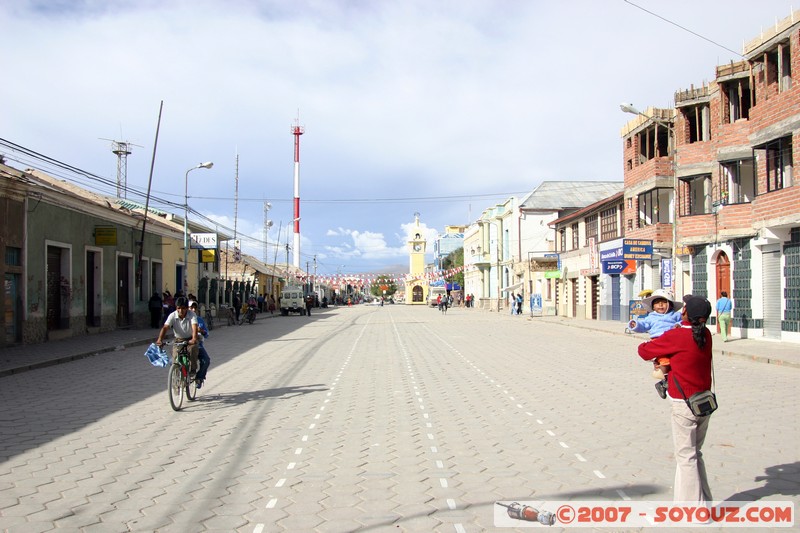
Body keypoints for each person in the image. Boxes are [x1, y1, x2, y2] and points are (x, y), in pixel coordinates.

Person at [638, 295, 713, 503]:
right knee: (695, 453)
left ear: (686, 312)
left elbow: (644, 351)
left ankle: (691, 511)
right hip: (704, 402)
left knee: (686, 457)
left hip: (684, 403)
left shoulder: (678, 335)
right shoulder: (706, 334)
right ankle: (704, 504)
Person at [628, 289, 683, 397]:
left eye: (664, 302)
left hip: (673, 341)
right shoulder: (651, 317)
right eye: (657, 303)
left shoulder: (675, 315)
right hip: (658, 341)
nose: (660, 305)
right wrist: (635, 325)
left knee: (677, 361)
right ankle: (665, 381)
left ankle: (669, 380)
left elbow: (683, 321)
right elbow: (644, 325)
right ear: (653, 307)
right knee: (664, 361)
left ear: (670, 305)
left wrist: (679, 325)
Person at [155, 296, 200, 378]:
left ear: (187, 308)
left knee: (193, 350)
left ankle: (193, 370)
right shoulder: (172, 315)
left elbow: (194, 327)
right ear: (176, 308)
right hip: (179, 340)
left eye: (183, 308)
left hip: (190, 339)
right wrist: (159, 339)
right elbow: (165, 327)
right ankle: (177, 376)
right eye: (178, 308)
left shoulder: (192, 314)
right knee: (175, 357)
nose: (180, 311)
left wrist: (194, 338)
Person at [188, 301, 211, 388]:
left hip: (198, 345)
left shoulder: (200, 320)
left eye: (195, 308)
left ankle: (199, 377)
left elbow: (207, 334)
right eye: (191, 308)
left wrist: (201, 331)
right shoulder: (183, 319)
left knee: (206, 360)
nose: (193, 310)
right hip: (185, 344)